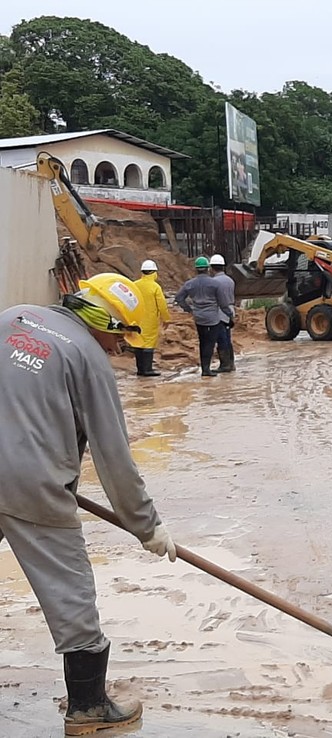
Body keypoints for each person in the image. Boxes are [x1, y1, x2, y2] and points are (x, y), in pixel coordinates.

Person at [0, 273, 177, 736]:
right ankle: (88, 708)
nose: (119, 349)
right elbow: (114, 456)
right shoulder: (87, 357)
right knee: (70, 589)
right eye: (120, 336)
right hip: (30, 484)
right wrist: (147, 525)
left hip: (17, 472)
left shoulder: (11, 318)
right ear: (103, 321)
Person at [176, 256, 233, 377]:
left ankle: (204, 368)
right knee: (210, 343)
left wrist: (188, 309)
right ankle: (207, 370)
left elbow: (179, 298)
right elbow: (223, 304)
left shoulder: (190, 284)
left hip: (198, 318)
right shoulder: (215, 284)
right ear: (207, 269)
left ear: (196, 269)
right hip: (213, 318)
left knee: (203, 342)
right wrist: (230, 314)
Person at [132, 259, 170, 377]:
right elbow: (162, 305)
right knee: (148, 343)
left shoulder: (134, 284)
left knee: (138, 342)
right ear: (154, 272)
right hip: (150, 320)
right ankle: (147, 369)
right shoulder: (155, 287)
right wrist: (166, 319)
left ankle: (140, 369)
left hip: (136, 319)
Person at [209, 254, 237, 373]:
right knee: (227, 337)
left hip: (219, 311)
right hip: (230, 310)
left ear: (212, 268)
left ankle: (225, 365)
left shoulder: (213, 282)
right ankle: (231, 363)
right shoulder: (230, 280)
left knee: (221, 338)